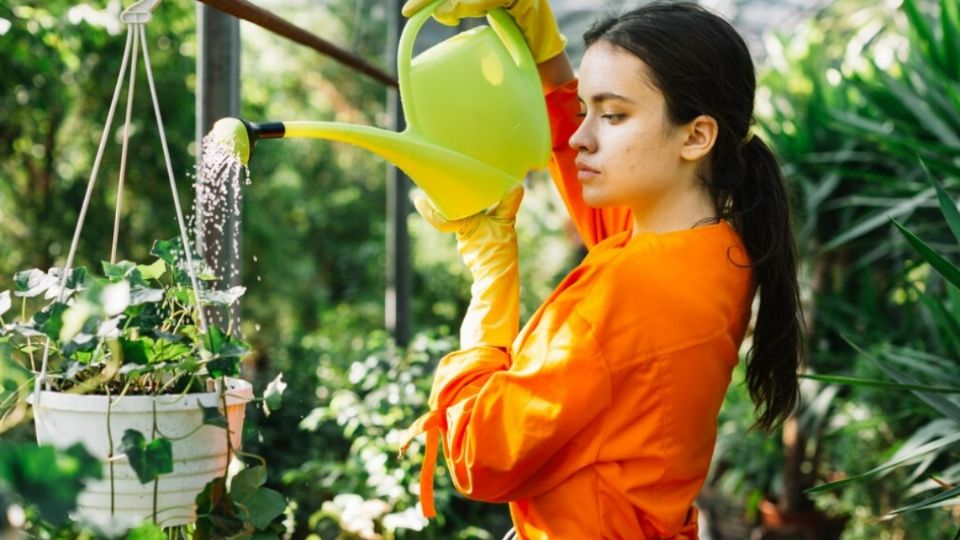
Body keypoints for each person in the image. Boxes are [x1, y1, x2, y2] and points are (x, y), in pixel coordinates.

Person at [398, 1, 804, 538]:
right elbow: (607, 213)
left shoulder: (627, 288)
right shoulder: (715, 247)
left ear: (696, 136)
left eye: (611, 115)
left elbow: (480, 453)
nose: (578, 137)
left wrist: (490, 272)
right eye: (586, 110)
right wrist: (544, 48)